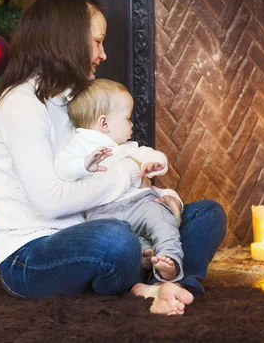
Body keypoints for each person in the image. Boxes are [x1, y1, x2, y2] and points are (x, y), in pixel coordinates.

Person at [0, 0, 227, 316]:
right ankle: (153, 281)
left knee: (207, 215)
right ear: (67, 39)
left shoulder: (76, 101)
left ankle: (168, 284)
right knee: (115, 240)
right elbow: (50, 201)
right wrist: (127, 172)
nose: (103, 54)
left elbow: (119, 158)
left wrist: (165, 198)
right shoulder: (22, 105)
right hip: (30, 255)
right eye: (97, 41)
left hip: (95, 225)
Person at [54, 78, 184, 282]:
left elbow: (147, 153)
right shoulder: (79, 145)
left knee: (162, 218)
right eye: (127, 118)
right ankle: (145, 256)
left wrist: (154, 163)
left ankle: (169, 258)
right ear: (104, 123)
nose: (132, 124)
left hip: (140, 204)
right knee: (112, 236)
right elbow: (61, 166)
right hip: (102, 214)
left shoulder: (126, 147)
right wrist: (83, 165)